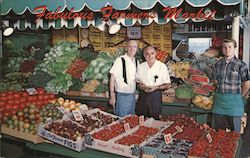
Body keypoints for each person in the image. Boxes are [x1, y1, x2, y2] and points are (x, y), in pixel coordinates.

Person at [212, 38, 250, 133]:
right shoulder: (217, 64)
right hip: (219, 103)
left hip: (235, 104)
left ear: (234, 48)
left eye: (230, 47)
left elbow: (247, 84)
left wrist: (239, 96)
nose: (227, 49)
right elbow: (215, 81)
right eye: (224, 47)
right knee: (219, 133)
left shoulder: (241, 65)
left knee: (235, 134)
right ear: (222, 49)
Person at [136, 46, 171, 119]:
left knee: (154, 120)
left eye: (152, 53)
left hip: (155, 96)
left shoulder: (162, 66)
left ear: (155, 54)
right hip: (143, 96)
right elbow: (138, 83)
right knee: (141, 119)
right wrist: (141, 86)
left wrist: (156, 87)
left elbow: (168, 85)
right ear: (144, 55)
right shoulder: (141, 66)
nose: (150, 56)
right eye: (147, 54)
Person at [109, 40, 139, 117]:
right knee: (122, 119)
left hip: (132, 95)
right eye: (130, 46)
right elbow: (112, 78)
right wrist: (112, 95)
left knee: (131, 118)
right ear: (126, 48)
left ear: (137, 49)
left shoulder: (136, 62)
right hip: (122, 95)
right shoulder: (120, 60)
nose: (132, 49)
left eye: (135, 47)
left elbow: (136, 78)